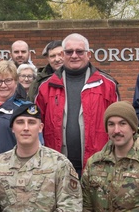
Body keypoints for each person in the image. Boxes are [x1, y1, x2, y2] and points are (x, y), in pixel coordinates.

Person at [36, 33, 119, 175]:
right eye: (69, 52)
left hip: (98, 167)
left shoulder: (107, 85)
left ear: (89, 54)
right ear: (63, 54)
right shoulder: (45, 86)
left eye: (79, 51)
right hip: (55, 169)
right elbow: (36, 126)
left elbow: (118, 124)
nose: (74, 55)